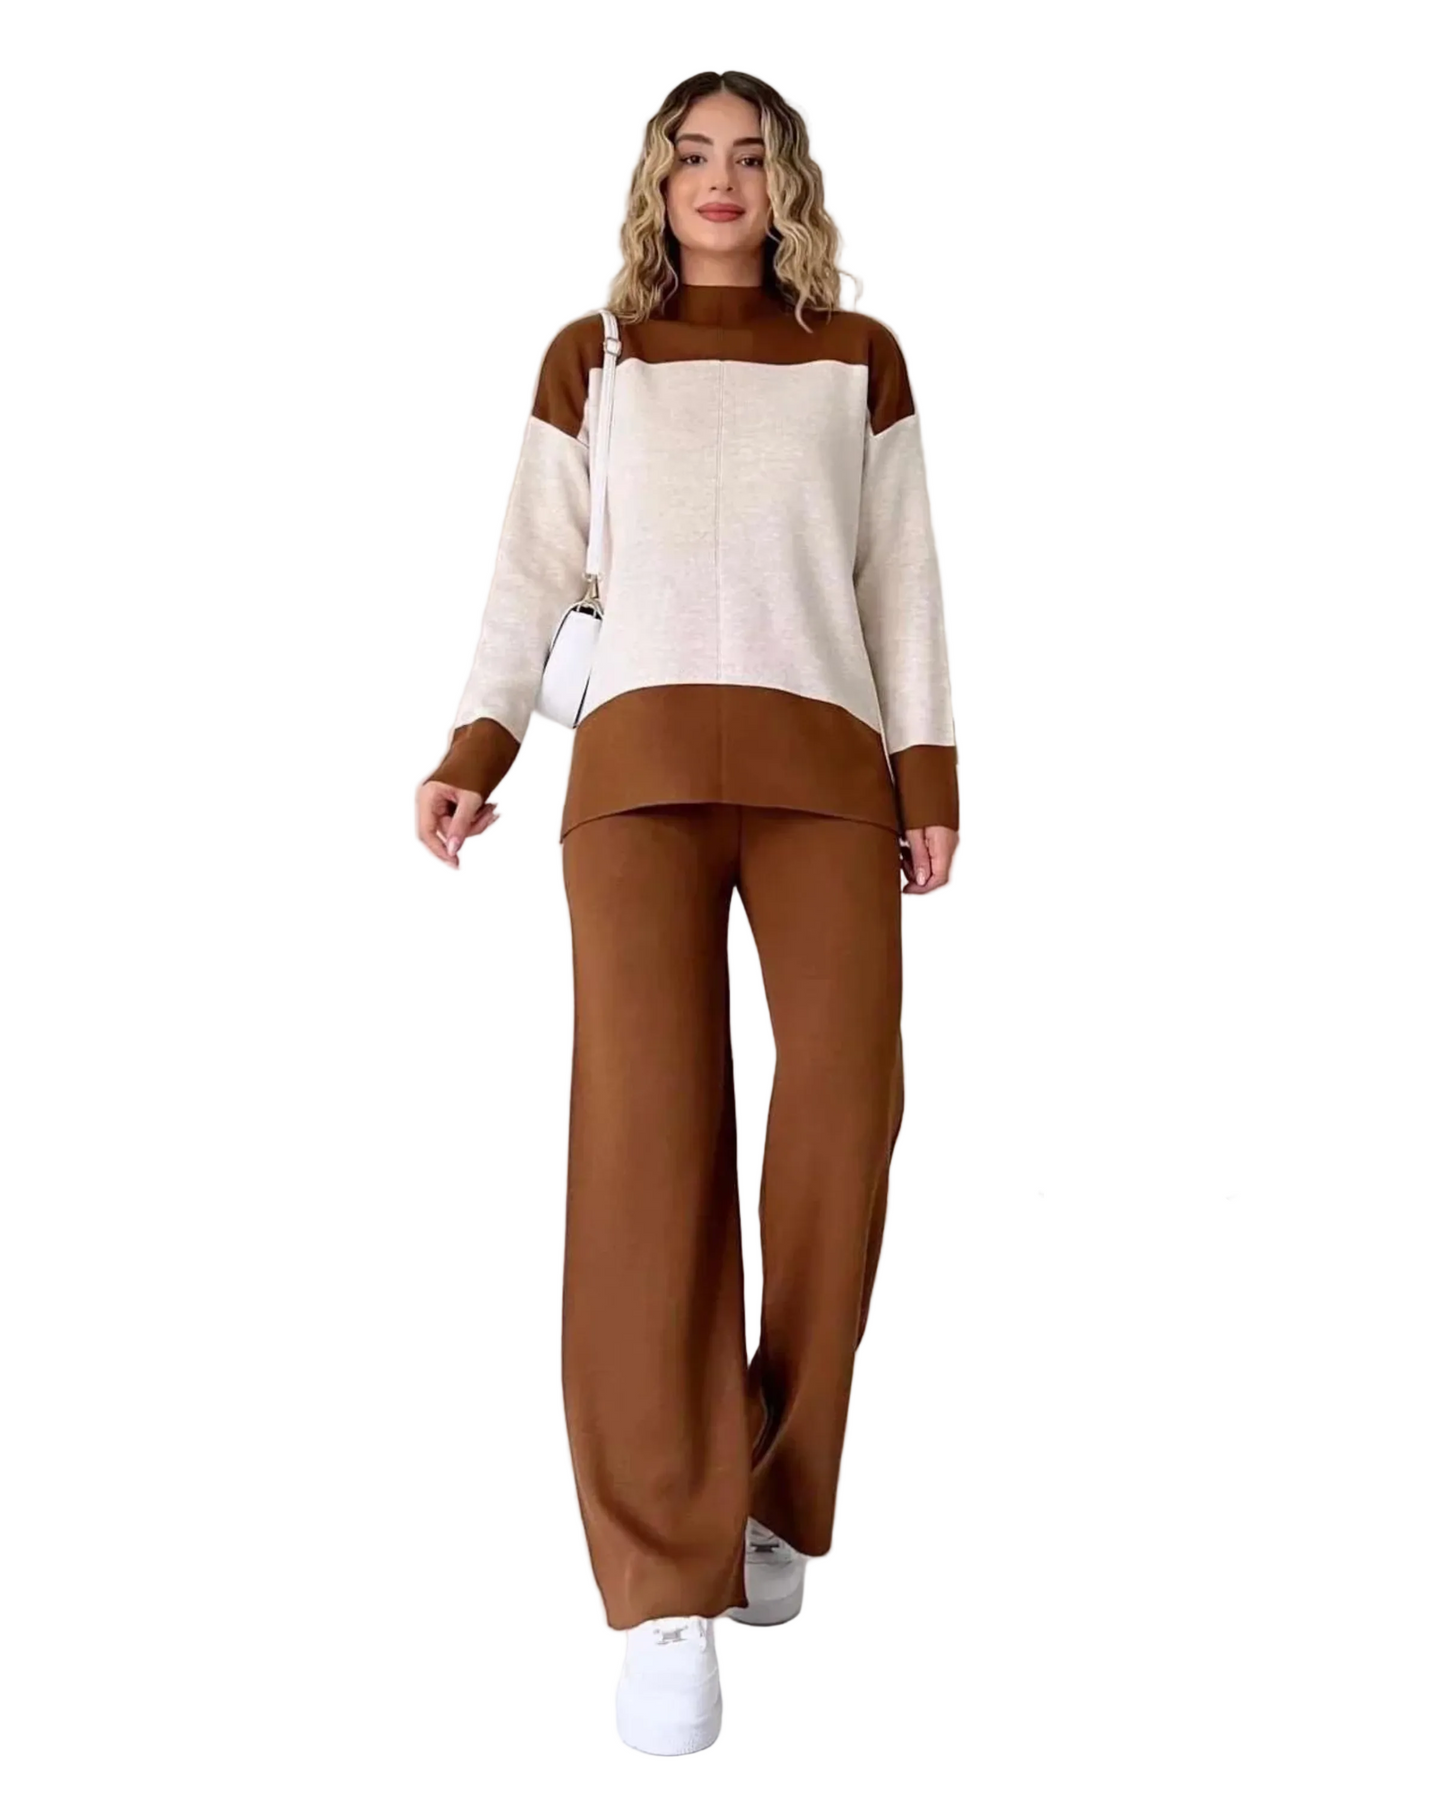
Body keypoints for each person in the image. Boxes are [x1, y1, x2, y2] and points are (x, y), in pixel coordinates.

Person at [415, 70, 959, 1756]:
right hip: (637, 779)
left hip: (827, 771)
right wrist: (476, 748)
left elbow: (900, 576)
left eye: (751, 156)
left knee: (844, 1115)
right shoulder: (595, 358)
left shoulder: (857, 357)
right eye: (691, 156)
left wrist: (929, 774)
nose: (720, 180)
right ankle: (665, 1580)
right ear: (656, 184)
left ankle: (776, 1482)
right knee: (649, 1148)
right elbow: (531, 572)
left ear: (789, 184)